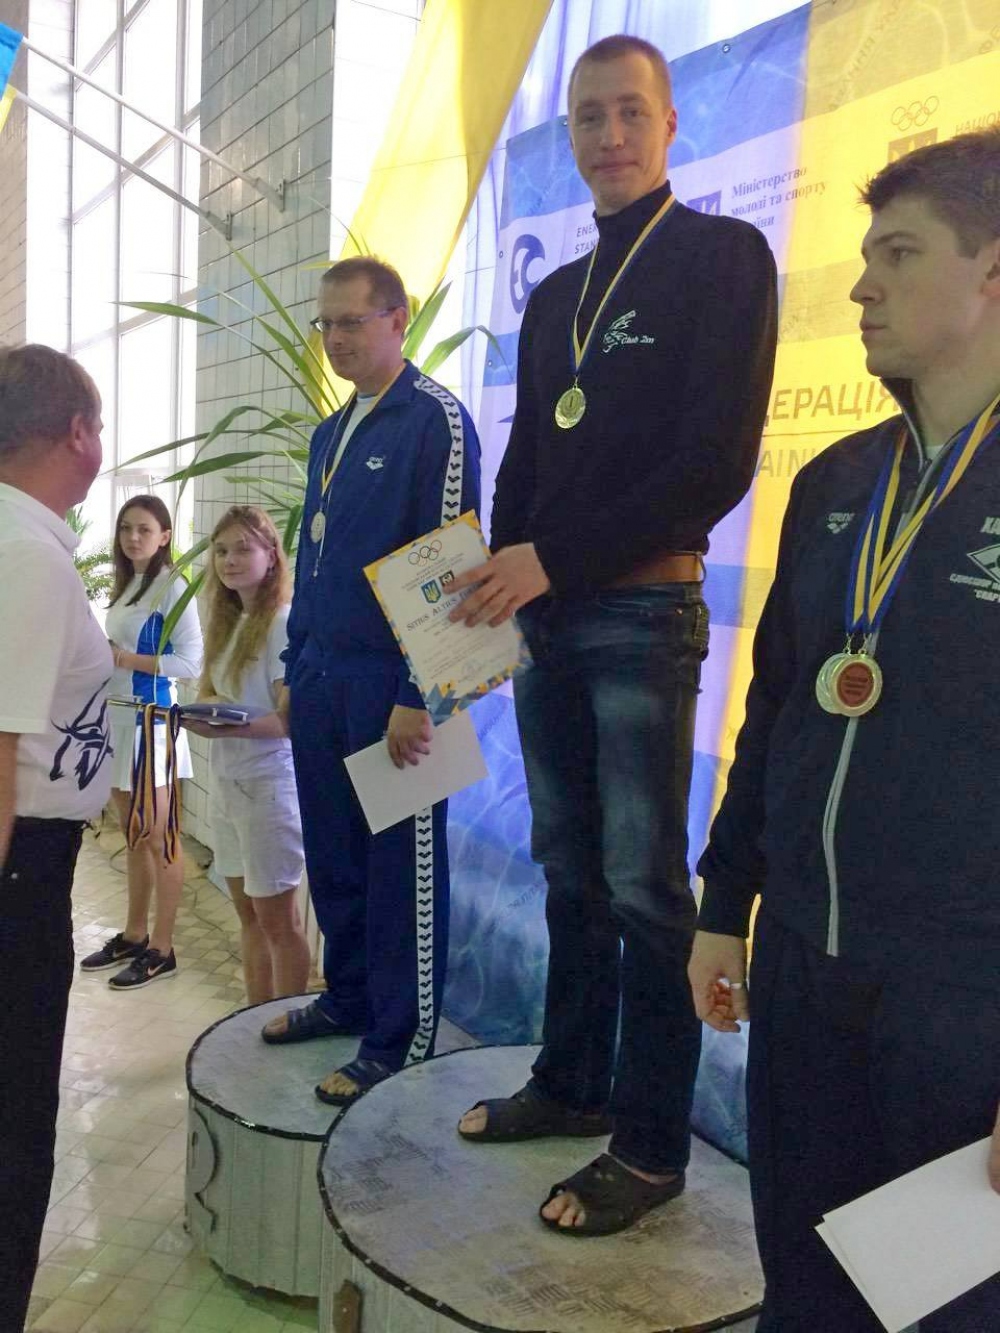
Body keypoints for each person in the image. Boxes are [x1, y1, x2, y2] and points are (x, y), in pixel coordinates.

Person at [450, 34, 777, 1236]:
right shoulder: (552, 299)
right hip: (550, 617)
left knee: (643, 886)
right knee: (568, 872)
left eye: (630, 111)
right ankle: (571, 1080)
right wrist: (504, 581)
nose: (608, 135)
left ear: (670, 122)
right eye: (588, 116)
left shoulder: (722, 258)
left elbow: (713, 464)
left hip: (641, 611)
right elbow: (526, 462)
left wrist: (555, 560)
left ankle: (647, 1146)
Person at [689, 126, 1000, 1331]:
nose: (862, 286)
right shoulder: (833, 484)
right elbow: (774, 709)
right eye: (864, 256)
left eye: (898, 254)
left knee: (939, 1310)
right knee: (806, 1290)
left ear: (990, 273)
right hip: (805, 975)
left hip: (959, 1003)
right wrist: (724, 905)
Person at [261, 256, 481, 1108]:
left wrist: (418, 695)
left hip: (396, 685)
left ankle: (399, 1039)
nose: (336, 338)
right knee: (335, 856)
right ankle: (348, 997)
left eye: (351, 321)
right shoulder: (331, 432)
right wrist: (294, 667)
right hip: (324, 678)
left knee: (402, 871)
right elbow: (312, 555)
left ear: (398, 319)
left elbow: (450, 565)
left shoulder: (436, 421)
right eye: (326, 323)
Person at [0, 344, 113, 1330]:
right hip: (19, 868)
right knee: (13, 1132)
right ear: (77, 432)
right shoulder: (27, 553)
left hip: (30, 857)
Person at [181, 504, 310, 1003]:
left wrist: (223, 728)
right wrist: (202, 714)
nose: (229, 560)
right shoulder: (230, 621)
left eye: (242, 549)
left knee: (279, 922)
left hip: (268, 787)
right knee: (249, 917)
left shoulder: (282, 622)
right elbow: (217, 695)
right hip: (229, 783)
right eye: (220, 551)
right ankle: (253, 1018)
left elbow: (289, 722)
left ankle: (286, 1018)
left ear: (271, 555)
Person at [80, 494, 203, 989]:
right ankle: (134, 934)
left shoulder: (173, 586)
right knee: (134, 834)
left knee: (159, 837)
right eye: (126, 528)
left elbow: (190, 663)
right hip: (119, 720)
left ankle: (163, 949)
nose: (133, 537)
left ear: (165, 536)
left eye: (145, 529)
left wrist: (124, 659)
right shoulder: (130, 584)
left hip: (153, 724)